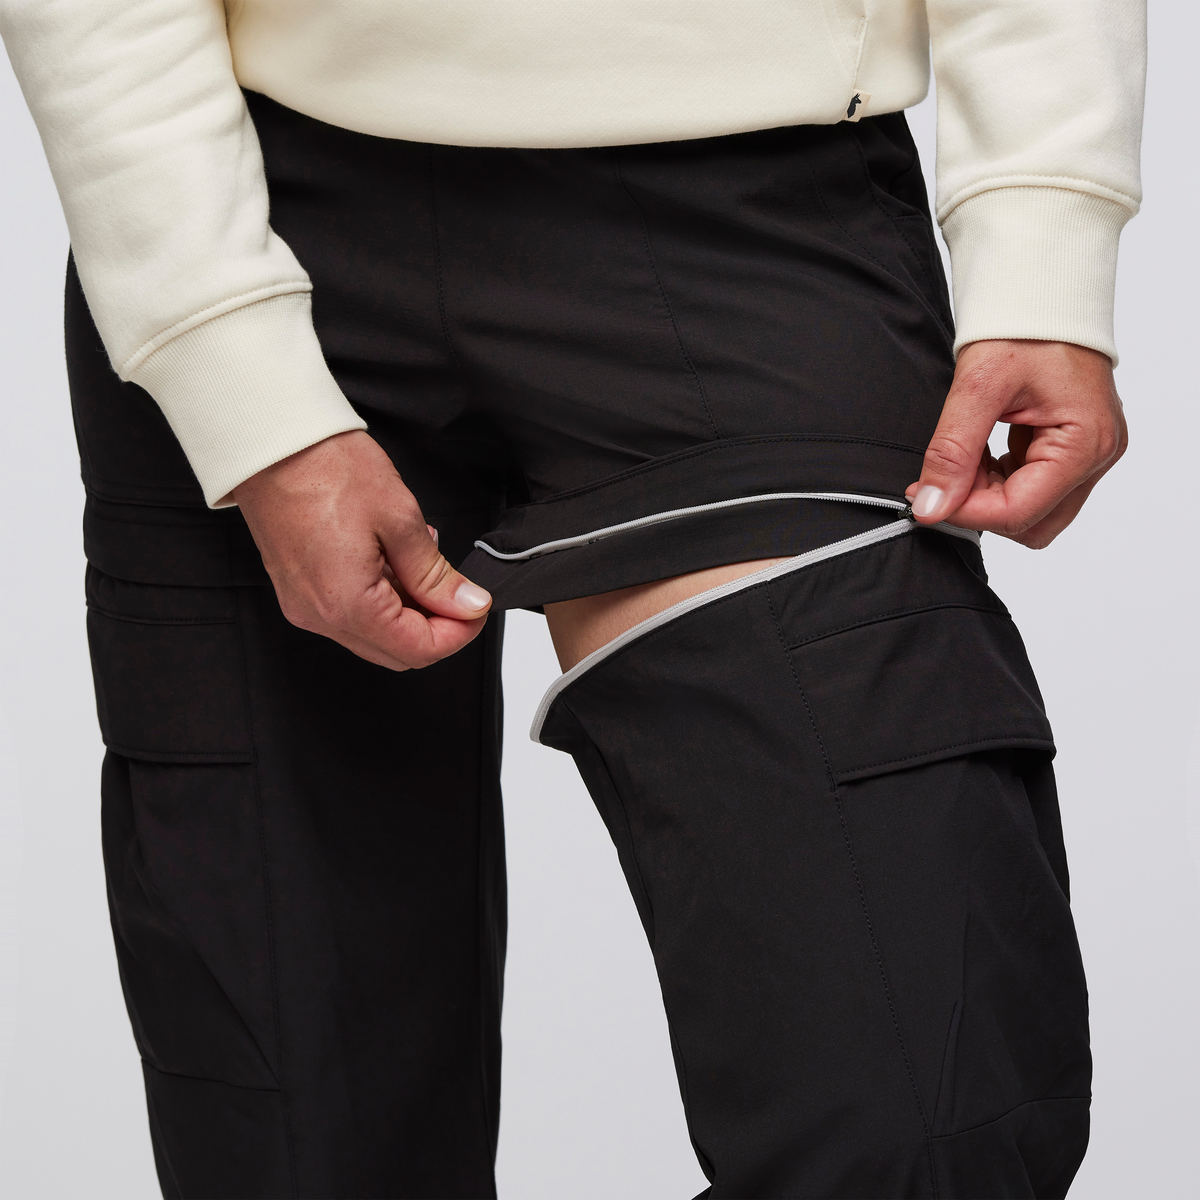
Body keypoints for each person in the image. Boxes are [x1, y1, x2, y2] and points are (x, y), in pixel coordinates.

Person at [0, 2, 1144, 1197]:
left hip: (749, 220)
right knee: (293, 1149)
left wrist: (1044, 236)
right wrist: (240, 381)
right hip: (242, 198)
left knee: (917, 1131)